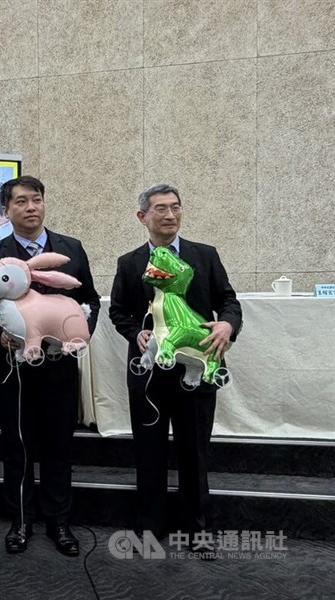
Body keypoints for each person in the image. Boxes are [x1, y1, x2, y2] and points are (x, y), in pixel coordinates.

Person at [0, 175, 100, 556]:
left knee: (60, 446)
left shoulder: (71, 249)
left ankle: (59, 521)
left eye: (37, 199)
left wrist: (78, 336)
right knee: (17, 447)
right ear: (6, 209)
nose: (31, 207)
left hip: (60, 369)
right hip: (14, 371)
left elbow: (90, 300)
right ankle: (21, 520)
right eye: (21, 201)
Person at [109, 183, 242, 544]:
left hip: (196, 371)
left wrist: (227, 325)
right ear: (142, 216)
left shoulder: (205, 255)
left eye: (175, 207)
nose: (170, 215)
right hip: (150, 374)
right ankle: (149, 530)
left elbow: (228, 301)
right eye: (161, 209)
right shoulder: (130, 263)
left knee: (194, 454)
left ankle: (198, 532)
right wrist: (135, 333)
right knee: (148, 453)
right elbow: (118, 311)